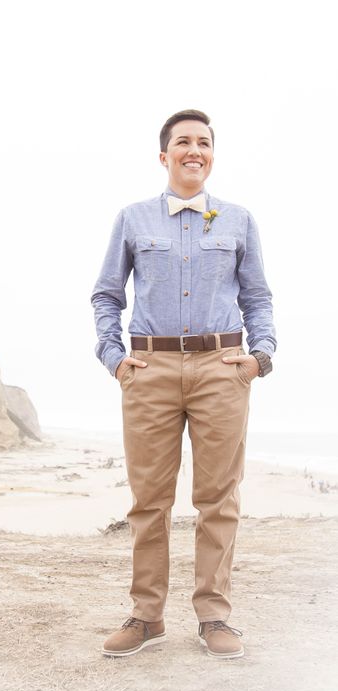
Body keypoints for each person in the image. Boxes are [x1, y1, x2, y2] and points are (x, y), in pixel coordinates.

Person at [90, 109, 276, 660]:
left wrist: (258, 358)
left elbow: (258, 297)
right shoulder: (133, 218)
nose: (194, 150)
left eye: (204, 142)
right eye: (183, 142)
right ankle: (147, 617)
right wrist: (114, 357)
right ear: (165, 155)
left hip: (222, 371)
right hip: (150, 372)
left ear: (211, 153)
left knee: (218, 498)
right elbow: (106, 295)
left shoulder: (238, 220)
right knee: (149, 500)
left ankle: (214, 616)